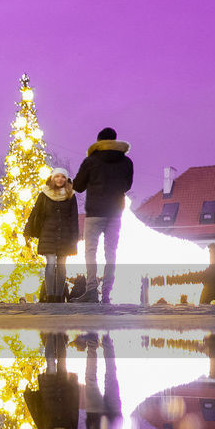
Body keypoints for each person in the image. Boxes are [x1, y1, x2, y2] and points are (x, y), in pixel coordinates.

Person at [72, 127, 133, 304]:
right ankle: (107, 292)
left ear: (99, 141)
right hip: (115, 213)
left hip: (95, 213)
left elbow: (79, 186)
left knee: (91, 251)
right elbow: (127, 185)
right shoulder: (127, 162)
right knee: (111, 253)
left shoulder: (91, 160)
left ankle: (92, 290)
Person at [23, 166, 79, 302]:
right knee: (50, 262)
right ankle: (50, 296)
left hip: (65, 235)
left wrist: (75, 237)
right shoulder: (44, 194)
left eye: (63, 177)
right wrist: (28, 231)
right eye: (57, 176)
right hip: (47, 233)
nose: (60, 179)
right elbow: (35, 213)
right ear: (52, 178)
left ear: (66, 180)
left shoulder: (71, 195)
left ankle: (59, 296)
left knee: (61, 265)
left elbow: (74, 217)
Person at [22, 332, 79, 429]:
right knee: (62, 360)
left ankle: (50, 335)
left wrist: (29, 395)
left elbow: (36, 412)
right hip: (65, 390)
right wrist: (75, 388)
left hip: (49, 391)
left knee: (50, 361)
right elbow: (74, 409)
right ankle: (59, 333)